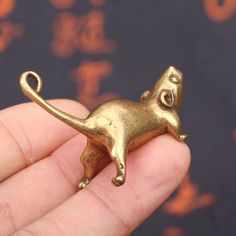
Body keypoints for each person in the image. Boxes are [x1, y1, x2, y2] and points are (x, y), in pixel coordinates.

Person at [0, 99, 190, 236]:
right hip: (106, 123)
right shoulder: (165, 115)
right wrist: (178, 136)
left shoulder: (163, 115)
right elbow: (175, 130)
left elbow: (174, 129)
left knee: (94, 152)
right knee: (94, 153)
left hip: (105, 121)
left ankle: (97, 175)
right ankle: (115, 171)